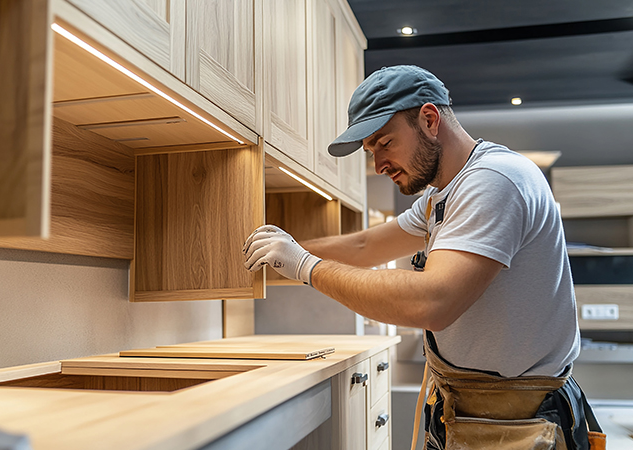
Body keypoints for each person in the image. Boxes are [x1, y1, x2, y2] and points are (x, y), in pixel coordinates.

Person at [242, 65, 605, 449]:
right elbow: (366, 246)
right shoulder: (440, 196)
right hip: (472, 411)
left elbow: (433, 301)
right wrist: (281, 249)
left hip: (518, 423)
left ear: (429, 119)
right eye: (370, 151)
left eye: (384, 143)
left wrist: (305, 266)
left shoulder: (493, 181)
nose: (378, 165)